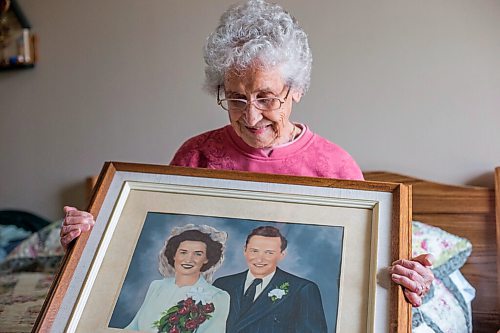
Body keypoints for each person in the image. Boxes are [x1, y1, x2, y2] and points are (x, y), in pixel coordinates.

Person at [60, 0, 433, 312]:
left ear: (297, 89)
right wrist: (95, 240)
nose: (251, 116)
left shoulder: (334, 166)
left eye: (266, 98)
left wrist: (407, 280)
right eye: (236, 98)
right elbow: (160, 252)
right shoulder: (196, 154)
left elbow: (366, 272)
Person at [213, 226, 327, 333]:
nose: (259, 259)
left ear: (282, 255)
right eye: (254, 251)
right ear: (245, 251)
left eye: (269, 253)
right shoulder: (223, 284)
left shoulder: (301, 289)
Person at [124, 225, 230, 333]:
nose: (189, 259)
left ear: (207, 259)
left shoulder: (218, 297)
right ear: (174, 255)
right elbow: (134, 327)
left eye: (198, 254)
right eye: (183, 252)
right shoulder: (156, 286)